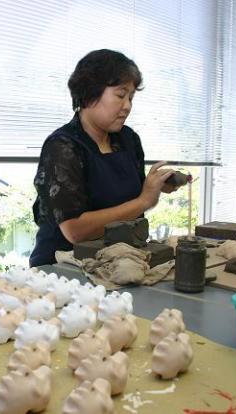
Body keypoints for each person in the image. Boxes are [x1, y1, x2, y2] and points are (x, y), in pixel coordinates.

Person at [30, 49, 184, 267]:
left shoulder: (128, 139)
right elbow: (75, 230)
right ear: (89, 93)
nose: (128, 106)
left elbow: (128, 196)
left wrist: (155, 185)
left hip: (121, 261)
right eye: (121, 95)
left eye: (131, 97)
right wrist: (144, 200)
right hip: (64, 269)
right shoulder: (63, 146)